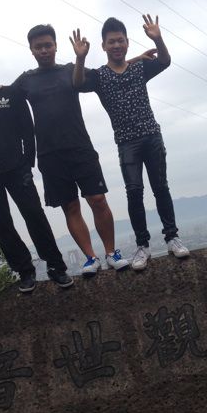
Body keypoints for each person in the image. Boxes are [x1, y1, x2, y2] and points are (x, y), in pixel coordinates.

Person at [0, 25, 131, 277]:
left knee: (98, 200)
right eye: (38, 47)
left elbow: (106, 73)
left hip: (80, 147)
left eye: (48, 45)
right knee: (70, 207)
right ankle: (90, 257)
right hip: (49, 154)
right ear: (31, 50)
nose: (44, 50)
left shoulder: (70, 70)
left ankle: (111, 253)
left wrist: (132, 59)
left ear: (55, 46)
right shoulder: (26, 80)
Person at [71, 14, 190, 271]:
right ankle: (142, 246)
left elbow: (165, 61)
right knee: (134, 192)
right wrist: (80, 58)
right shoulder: (99, 76)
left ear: (127, 43)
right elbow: (77, 83)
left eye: (120, 41)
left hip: (151, 135)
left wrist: (158, 39)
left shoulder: (139, 67)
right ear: (103, 46)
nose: (116, 45)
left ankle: (172, 237)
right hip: (126, 143)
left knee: (161, 188)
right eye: (111, 41)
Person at [0, 46, 73, 292]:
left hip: (17, 168)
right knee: (1, 224)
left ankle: (56, 266)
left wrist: (27, 164)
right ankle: (25, 271)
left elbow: (28, 132)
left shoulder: (12, 94)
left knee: (34, 216)